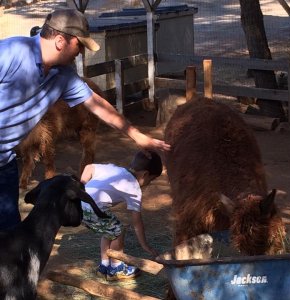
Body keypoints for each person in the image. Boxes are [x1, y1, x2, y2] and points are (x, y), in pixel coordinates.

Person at [0, 9, 170, 230]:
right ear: (60, 40)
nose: (80, 53)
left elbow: (97, 105)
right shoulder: (11, 52)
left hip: (4, 162)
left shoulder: (63, 76)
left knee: (10, 234)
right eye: (79, 46)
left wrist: (136, 135)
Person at [80, 150, 162, 281]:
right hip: (93, 208)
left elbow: (88, 167)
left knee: (109, 230)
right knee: (118, 230)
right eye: (151, 180)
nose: (149, 183)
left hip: (79, 204)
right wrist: (145, 245)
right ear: (145, 174)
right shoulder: (134, 188)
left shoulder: (115, 169)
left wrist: (81, 186)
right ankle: (116, 269)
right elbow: (137, 222)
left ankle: (104, 266)